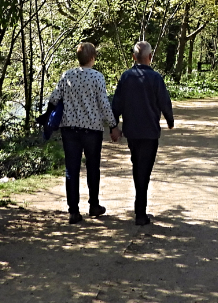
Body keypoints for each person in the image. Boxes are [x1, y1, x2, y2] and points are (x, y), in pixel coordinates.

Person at [46, 42, 121, 224]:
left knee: (71, 169)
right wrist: (113, 125)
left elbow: (54, 98)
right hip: (92, 130)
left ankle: (73, 211)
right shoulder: (97, 77)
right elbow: (103, 104)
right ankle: (94, 205)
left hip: (69, 129)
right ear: (92, 58)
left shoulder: (67, 75)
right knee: (92, 167)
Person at [111, 40, 174, 226]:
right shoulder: (156, 78)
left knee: (137, 166)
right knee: (143, 171)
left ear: (133, 57)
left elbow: (117, 104)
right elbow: (164, 101)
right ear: (150, 57)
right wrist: (170, 120)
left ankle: (140, 209)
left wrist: (114, 126)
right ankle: (140, 213)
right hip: (150, 132)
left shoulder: (126, 77)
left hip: (132, 132)